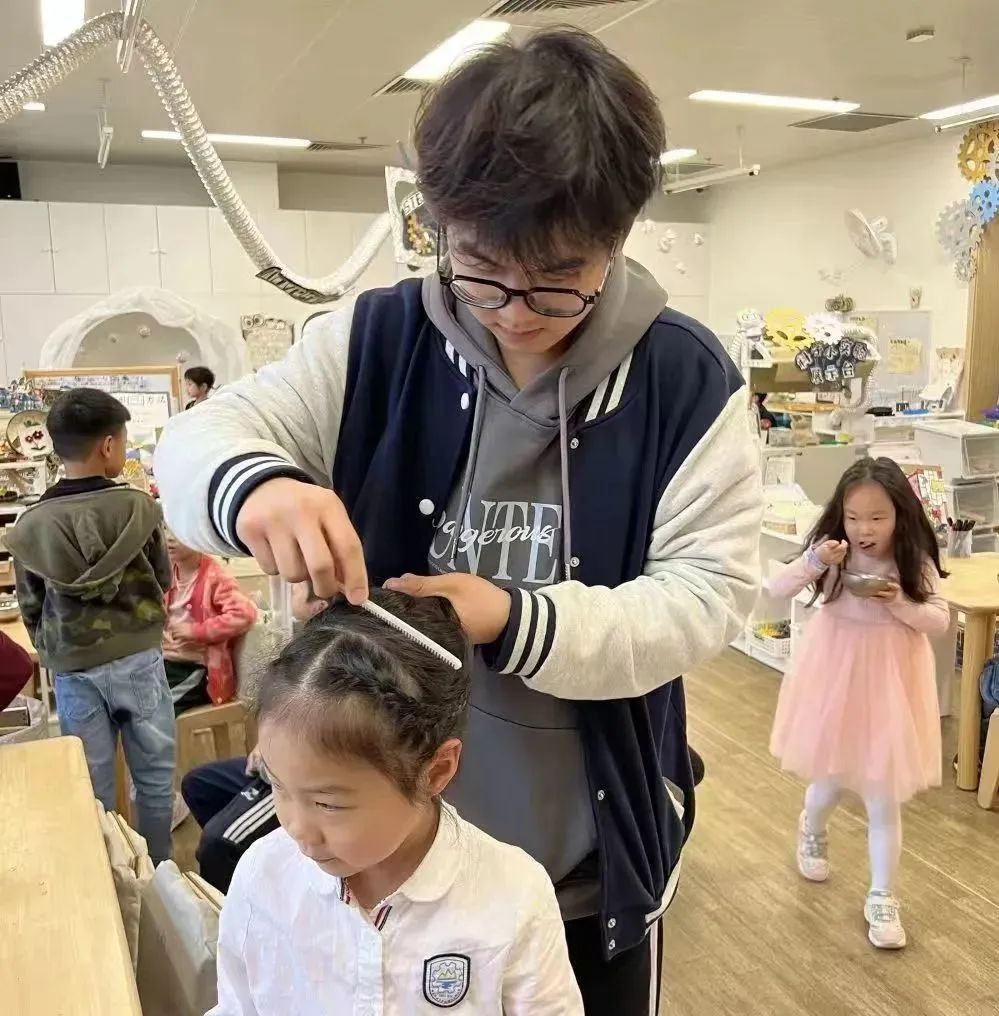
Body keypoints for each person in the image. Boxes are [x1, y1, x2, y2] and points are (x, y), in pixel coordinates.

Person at [157, 28, 760, 1010]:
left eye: (559, 276)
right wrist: (258, 485)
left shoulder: (682, 379)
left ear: (619, 237)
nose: (514, 311)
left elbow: (708, 597)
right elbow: (195, 442)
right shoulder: (377, 339)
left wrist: (513, 617)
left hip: (585, 867)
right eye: (479, 268)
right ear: (437, 223)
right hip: (381, 859)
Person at [210, 588, 583, 1014]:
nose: (296, 828)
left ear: (436, 771)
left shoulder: (511, 897)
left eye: (328, 804)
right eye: (277, 785)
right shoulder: (263, 876)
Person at [767, 457, 949, 950]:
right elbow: (775, 587)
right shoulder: (834, 555)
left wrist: (898, 602)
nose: (864, 529)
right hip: (835, 679)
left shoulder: (913, 560)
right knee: (827, 783)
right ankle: (811, 828)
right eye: (853, 517)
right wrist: (815, 561)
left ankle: (883, 896)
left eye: (877, 517)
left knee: (882, 795)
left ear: (900, 515)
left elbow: (939, 621)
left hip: (892, 687)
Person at [7, 388, 175, 863]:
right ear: (108, 445)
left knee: (93, 786)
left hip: (73, 667)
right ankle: (159, 872)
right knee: (154, 779)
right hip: (138, 657)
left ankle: (111, 876)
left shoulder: (30, 525)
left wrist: (55, 648)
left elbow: (30, 604)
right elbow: (162, 578)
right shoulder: (139, 507)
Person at [181, 581, 320, 891]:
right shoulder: (304, 641)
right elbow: (280, 708)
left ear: (319, 604)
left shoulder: (331, 656)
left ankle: (239, 900)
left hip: (292, 775)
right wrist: (263, 743)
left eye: (297, 589)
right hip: (274, 758)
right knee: (197, 784)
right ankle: (255, 869)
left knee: (217, 844)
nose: (289, 591)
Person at [163, 532, 257, 716]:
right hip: (165, 663)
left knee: (157, 712)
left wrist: (196, 631)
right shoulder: (167, 572)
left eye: (177, 531)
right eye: (165, 529)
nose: (169, 537)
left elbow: (245, 614)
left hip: (198, 670)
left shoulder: (215, 577)